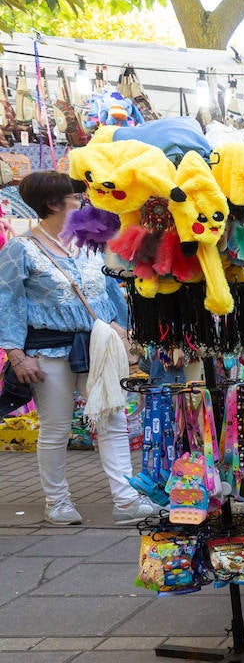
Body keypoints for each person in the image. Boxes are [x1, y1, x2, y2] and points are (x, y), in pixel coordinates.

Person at [0, 172, 154, 525]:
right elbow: (6, 301)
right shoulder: (20, 249)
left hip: (98, 347)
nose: (82, 202)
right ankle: (58, 502)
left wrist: (126, 333)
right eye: (75, 197)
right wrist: (15, 354)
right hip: (47, 351)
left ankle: (126, 500)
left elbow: (110, 293)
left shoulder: (88, 244)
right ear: (54, 203)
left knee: (112, 418)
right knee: (55, 428)